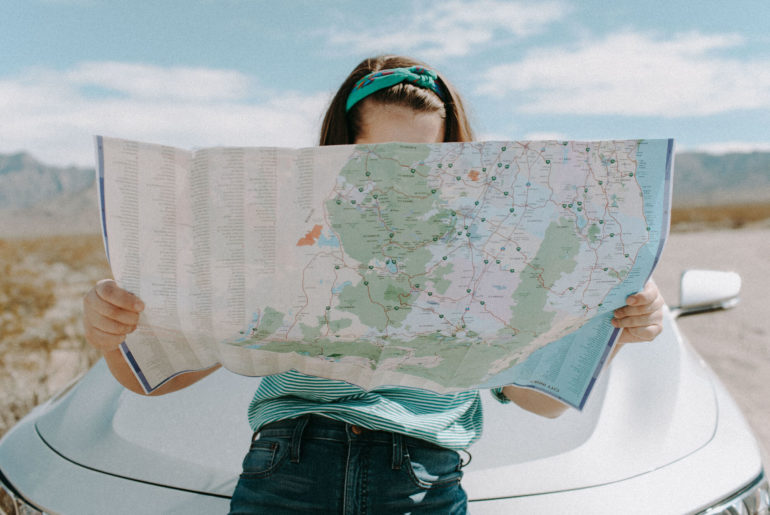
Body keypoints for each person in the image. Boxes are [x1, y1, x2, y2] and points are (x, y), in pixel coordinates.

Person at [82, 55, 665, 514]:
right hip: (286, 467)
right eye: (378, 155)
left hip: (422, 481)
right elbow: (159, 381)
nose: (398, 176)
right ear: (338, 150)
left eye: (424, 159)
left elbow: (539, 401)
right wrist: (115, 335)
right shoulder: (282, 233)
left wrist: (614, 331)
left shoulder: (492, 246)